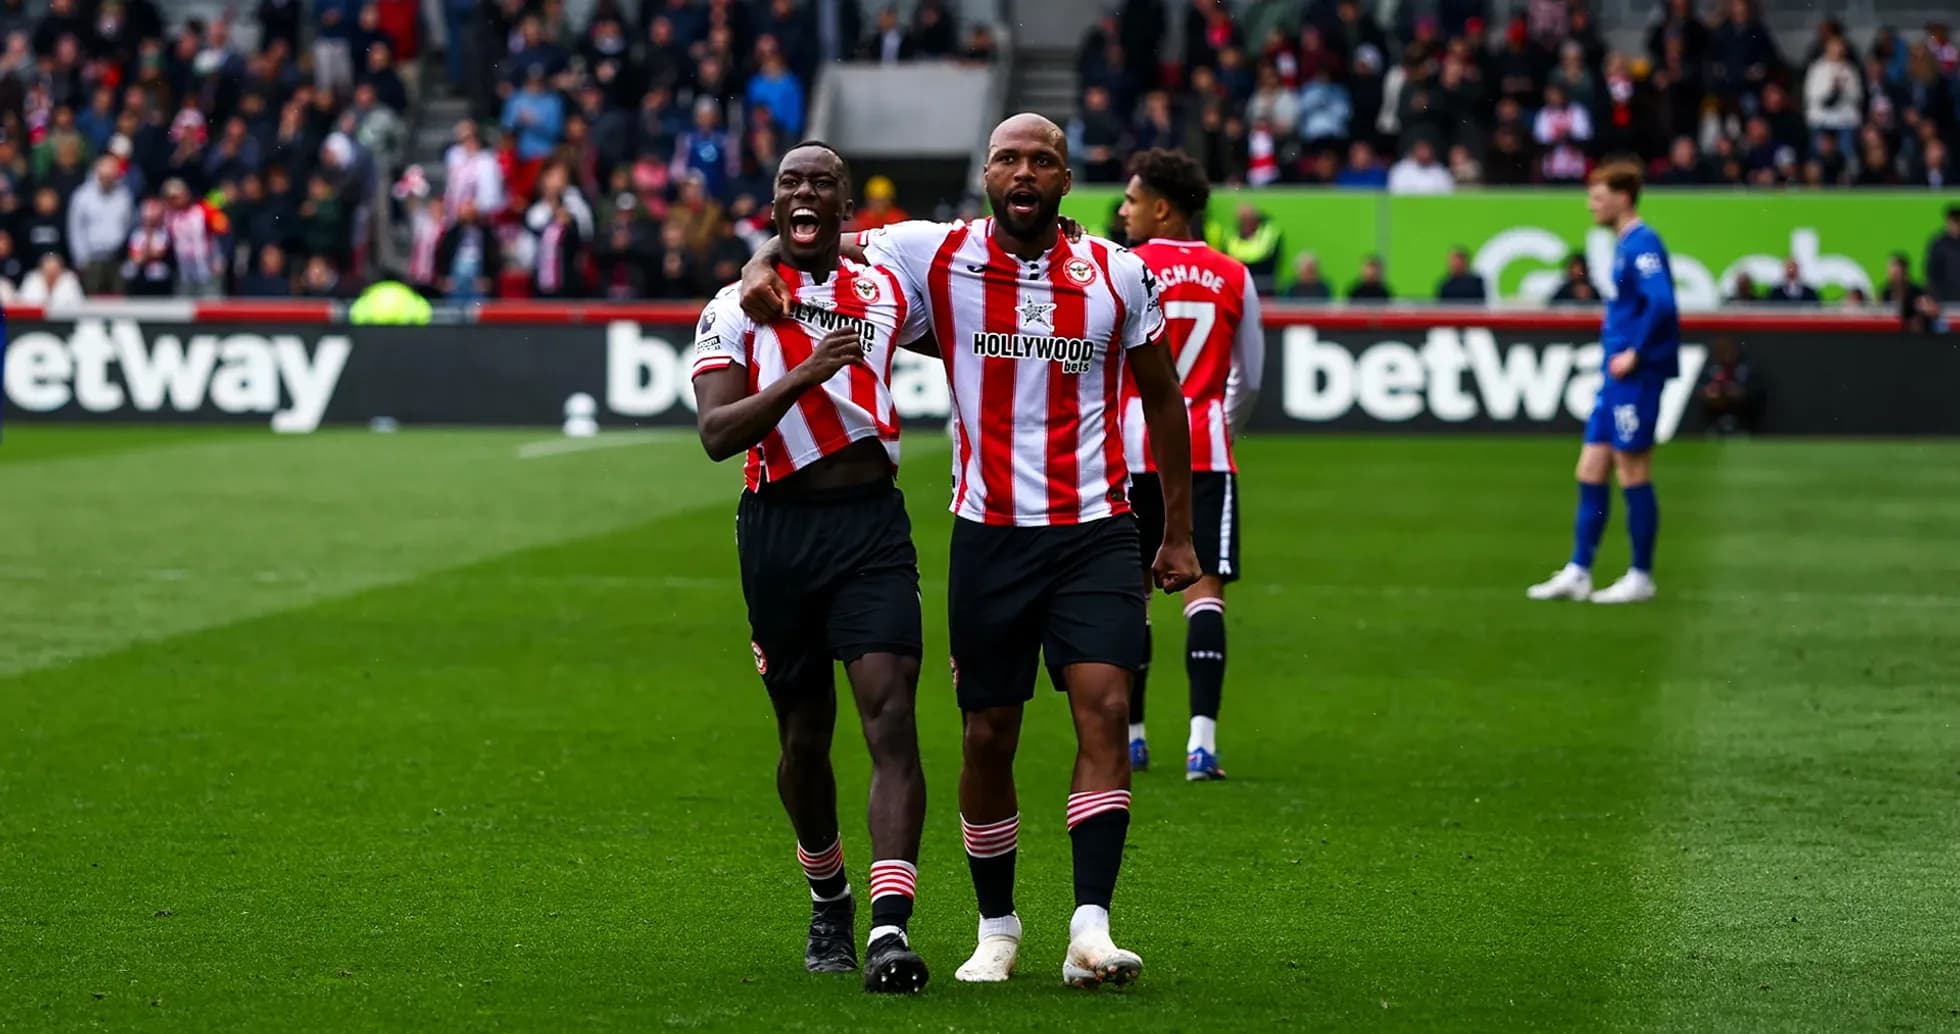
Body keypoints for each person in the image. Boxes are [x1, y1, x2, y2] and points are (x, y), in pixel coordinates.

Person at [739, 114, 1201, 989]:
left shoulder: (1119, 272)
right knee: (988, 735)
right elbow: (812, 230)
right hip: (988, 533)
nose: (1024, 172)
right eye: (1009, 159)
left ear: (1066, 179)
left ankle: (1091, 928)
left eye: (1043, 161)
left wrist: (1175, 531)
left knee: (1103, 710)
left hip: (1096, 528)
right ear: (986, 173)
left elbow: (1164, 399)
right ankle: (998, 927)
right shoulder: (931, 253)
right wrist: (760, 266)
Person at [692, 142, 934, 995]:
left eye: (821, 182)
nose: (806, 192)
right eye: (791, 181)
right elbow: (718, 436)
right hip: (779, 532)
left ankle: (888, 926)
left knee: (891, 715)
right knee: (803, 738)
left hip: (872, 526)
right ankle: (827, 895)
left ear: (843, 207)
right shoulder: (734, 305)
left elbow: (976, 306)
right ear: (773, 206)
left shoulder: (886, 286)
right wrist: (803, 374)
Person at [1114, 148, 1264, 781]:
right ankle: (1202, 744)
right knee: (1205, 596)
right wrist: (1216, 426)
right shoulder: (1235, 273)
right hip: (1204, 451)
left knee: (1133, 596)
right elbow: (1251, 376)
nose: (1123, 211)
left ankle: (1134, 736)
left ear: (1162, 208)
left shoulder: (1123, 268)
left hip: (1129, 449)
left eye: (1132, 199)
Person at [1528, 162, 1679, 605]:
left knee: (1633, 470)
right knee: (1590, 468)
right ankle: (1579, 570)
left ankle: (1641, 576)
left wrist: (1636, 351)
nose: (1591, 204)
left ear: (1624, 197)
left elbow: (1664, 303)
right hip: (1615, 379)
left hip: (1635, 375)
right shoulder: (1624, 244)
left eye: (1598, 196)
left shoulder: (1642, 243)